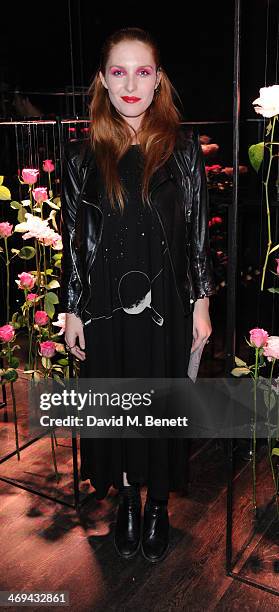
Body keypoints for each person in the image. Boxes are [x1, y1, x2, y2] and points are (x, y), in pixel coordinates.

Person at [59, 27, 215, 563]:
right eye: (119, 71)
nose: (131, 84)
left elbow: (197, 233)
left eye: (143, 71)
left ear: (158, 80)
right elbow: (74, 243)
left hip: (165, 307)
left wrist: (201, 301)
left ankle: (158, 505)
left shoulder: (184, 151)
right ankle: (127, 496)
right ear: (103, 80)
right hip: (104, 308)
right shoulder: (83, 158)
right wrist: (73, 308)